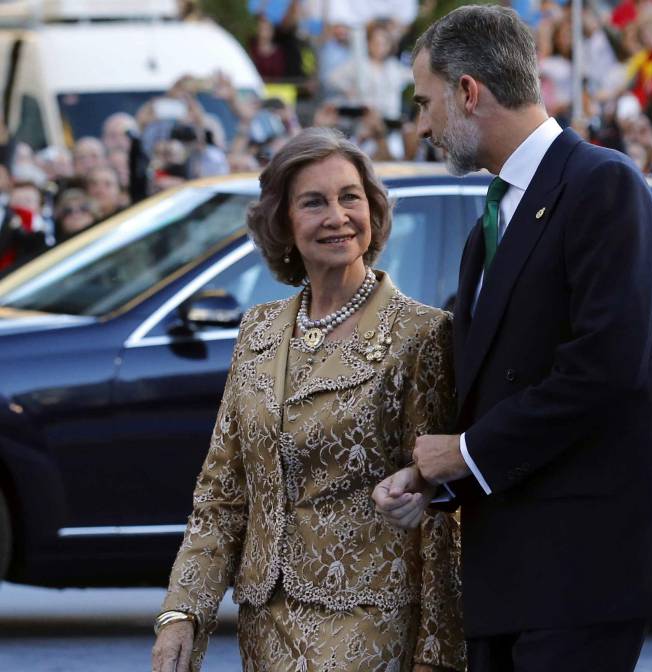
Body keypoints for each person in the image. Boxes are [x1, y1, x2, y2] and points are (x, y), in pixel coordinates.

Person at [373, 6, 652, 672]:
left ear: (468, 91)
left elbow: (605, 371)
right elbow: (494, 381)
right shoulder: (491, 219)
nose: (421, 126)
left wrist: (465, 453)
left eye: (424, 103)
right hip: (513, 565)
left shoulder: (602, 186)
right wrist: (431, 474)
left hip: (583, 565)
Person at [150, 127, 465, 672]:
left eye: (350, 197)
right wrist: (182, 612)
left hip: (371, 624)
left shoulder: (422, 335)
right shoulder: (258, 330)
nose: (337, 216)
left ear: (374, 210)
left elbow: (442, 512)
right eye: (313, 202)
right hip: (266, 624)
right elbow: (222, 494)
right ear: (283, 223)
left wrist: (438, 655)